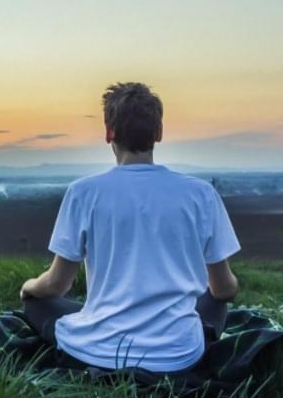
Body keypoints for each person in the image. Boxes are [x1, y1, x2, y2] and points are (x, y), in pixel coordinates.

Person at [19, 82, 241, 374]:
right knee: (214, 299)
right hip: (178, 355)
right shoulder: (201, 194)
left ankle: (96, 326)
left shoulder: (83, 192)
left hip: (98, 351)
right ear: (158, 133)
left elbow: (57, 285)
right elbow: (224, 289)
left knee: (36, 304)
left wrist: (29, 287)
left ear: (109, 132)